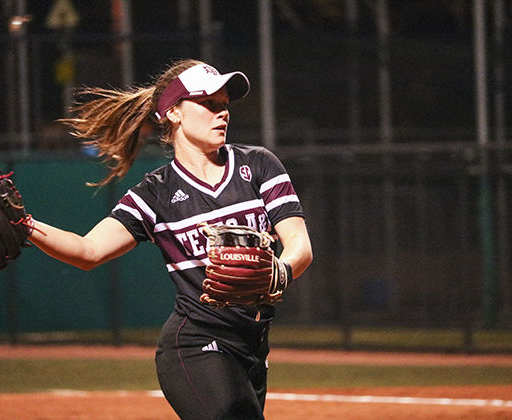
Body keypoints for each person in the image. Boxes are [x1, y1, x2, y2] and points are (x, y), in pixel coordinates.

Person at [27, 58, 313, 419]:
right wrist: (25, 225)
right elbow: (88, 250)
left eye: (223, 105)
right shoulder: (155, 194)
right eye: (208, 103)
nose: (221, 113)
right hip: (194, 344)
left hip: (252, 343)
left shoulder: (258, 166)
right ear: (174, 113)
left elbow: (299, 245)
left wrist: (281, 271)